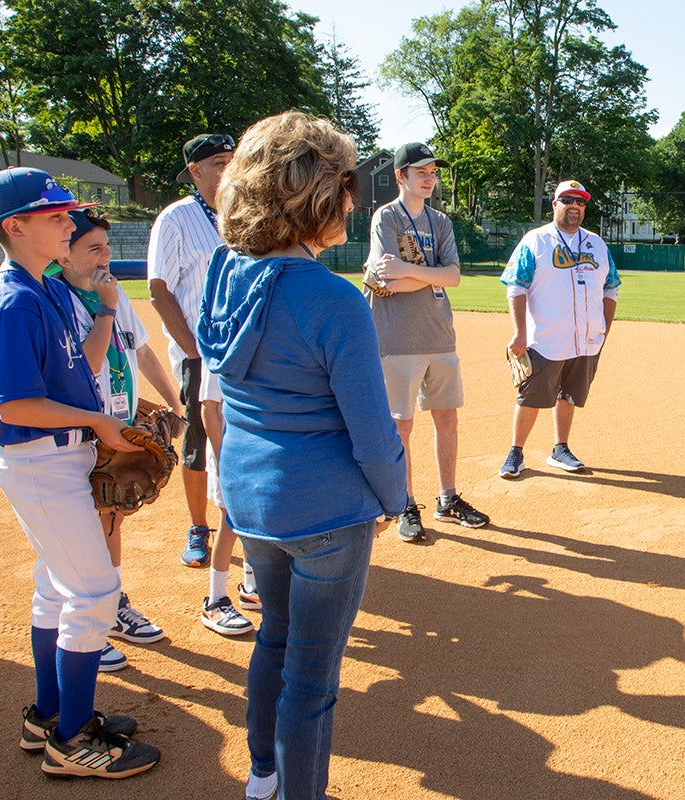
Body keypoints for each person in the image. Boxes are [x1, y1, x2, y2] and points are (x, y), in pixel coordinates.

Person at [197, 111, 406, 800]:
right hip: (325, 507)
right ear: (318, 193)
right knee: (312, 678)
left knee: (275, 640)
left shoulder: (226, 276)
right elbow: (374, 434)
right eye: (347, 183)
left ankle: (264, 776)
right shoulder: (332, 299)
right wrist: (393, 499)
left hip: (251, 496)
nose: (356, 197)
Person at [0, 167, 159, 778]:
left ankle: (48, 716)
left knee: (57, 587)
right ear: (15, 226)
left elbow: (86, 363)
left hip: (63, 454)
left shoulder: (47, 288)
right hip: (40, 459)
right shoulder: (15, 303)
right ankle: (73, 741)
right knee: (95, 592)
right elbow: (15, 403)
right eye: (54, 216)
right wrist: (101, 423)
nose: (67, 222)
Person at [54, 209, 183, 669]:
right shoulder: (56, 298)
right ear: (63, 255)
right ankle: (87, 619)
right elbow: (85, 366)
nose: (107, 256)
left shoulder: (112, 290)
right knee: (81, 530)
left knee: (111, 517)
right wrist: (105, 307)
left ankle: (110, 607)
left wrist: (174, 402)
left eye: (107, 247)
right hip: (79, 434)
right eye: (94, 248)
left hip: (119, 426)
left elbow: (141, 348)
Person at [363, 141, 489, 542]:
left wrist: (408, 270)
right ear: (401, 176)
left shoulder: (441, 222)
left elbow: (453, 277)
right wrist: (422, 272)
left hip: (438, 333)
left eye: (433, 172)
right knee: (401, 427)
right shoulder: (386, 218)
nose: (430, 178)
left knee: (447, 418)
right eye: (421, 172)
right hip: (397, 337)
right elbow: (386, 280)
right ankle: (405, 503)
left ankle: (448, 499)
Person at [147, 132, 235, 567]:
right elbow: (159, 290)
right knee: (200, 442)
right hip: (199, 354)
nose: (229, 169)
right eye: (219, 163)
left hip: (240, 352)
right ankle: (199, 526)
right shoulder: (176, 218)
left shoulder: (244, 215)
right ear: (195, 172)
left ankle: (244, 524)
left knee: (241, 437)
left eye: (232, 160)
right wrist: (194, 352)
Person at [497, 179, 620, 478]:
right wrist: (520, 333)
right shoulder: (536, 240)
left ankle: (560, 448)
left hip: (586, 338)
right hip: (545, 338)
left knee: (569, 394)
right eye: (567, 200)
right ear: (554, 204)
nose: (574, 205)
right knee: (531, 394)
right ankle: (516, 452)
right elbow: (515, 287)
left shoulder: (596, 243)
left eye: (580, 201)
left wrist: (604, 328)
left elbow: (611, 288)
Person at [198, 362, 258, 635]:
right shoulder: (219, 350)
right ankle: (215, 600)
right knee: (229, 520)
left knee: (255, 518)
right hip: (228, 452)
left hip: (253, 449)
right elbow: (208, 408)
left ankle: (252, 587)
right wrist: (223, 459)